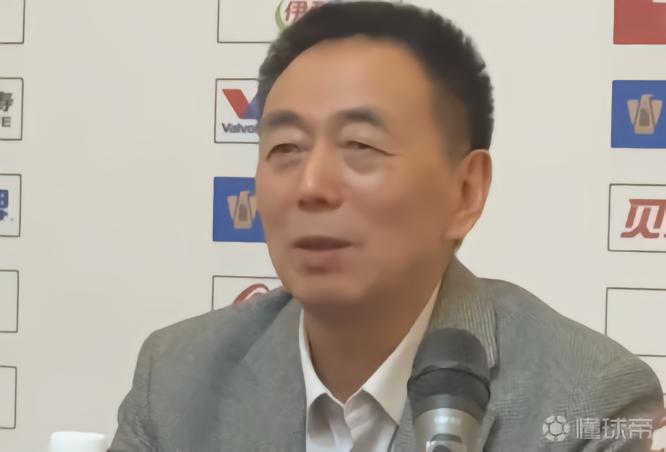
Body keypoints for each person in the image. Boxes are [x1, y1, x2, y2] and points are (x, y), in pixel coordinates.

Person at [109, 2, 664, 451]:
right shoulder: (178, 377)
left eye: (360, 145)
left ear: (465, 192)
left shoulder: (589, 401)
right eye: (286, 147)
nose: (312, 185)